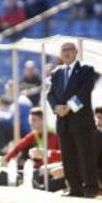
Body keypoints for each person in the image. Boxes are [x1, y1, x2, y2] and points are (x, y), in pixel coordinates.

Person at [47, 42, 99, 198]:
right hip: (63, 122)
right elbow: (50, 94)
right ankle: (74, 188)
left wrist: (69, 107)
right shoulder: (56, 72)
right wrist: (57, 108)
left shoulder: (86, 70)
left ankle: (91, 188)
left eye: (70, 50)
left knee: (86, 156)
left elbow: (85, 91)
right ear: (60, 54)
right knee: (68, 157)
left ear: (76, 52)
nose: (67, 53)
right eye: (64, 50)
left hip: (81, 122)